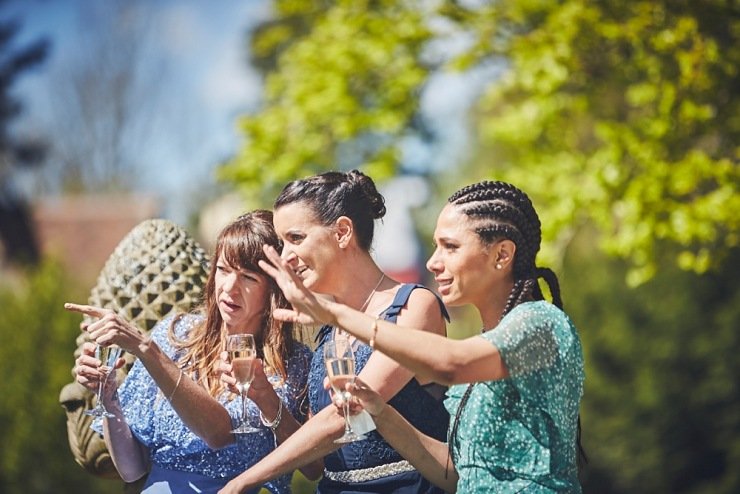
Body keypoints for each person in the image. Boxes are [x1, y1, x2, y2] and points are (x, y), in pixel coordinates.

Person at [259, 180, 586, 493]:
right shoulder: (481, 349)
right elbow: (452, 474)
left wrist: (335, 315)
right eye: (435, 246)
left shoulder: (542, 324)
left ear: (502, 255)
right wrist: (380, 413)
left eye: (450, 247)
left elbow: (448, 365)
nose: (433, 262)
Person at [219, 170, 450, 494]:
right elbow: (320, 457)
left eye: (295, 239)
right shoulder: (326, 331)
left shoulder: (414, 307)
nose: (286, 256)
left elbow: (346, 415)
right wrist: (266, 399)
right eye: (282, 242)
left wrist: (245, 481)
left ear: (342, 232)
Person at [69, 210, 320, 493]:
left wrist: (268, 401)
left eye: (248, 277)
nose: (229, 288)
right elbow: (132, 469)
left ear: (274, 290)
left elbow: (311, 468)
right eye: (223, 270)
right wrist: (108, 396)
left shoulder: (296, 362)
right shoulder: (175, 336)